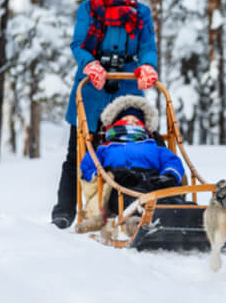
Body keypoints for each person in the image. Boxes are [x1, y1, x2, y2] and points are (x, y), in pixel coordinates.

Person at [51, 0, 159, 229]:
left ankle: (132, 204)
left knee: (132, 146)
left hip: (127, 85)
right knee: (79, 149)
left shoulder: (141, 12)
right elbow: (79, 45)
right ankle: (65, 209)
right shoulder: (89, 9)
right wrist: (91, 65)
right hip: (91, 89)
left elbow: (147, 46)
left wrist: (147, 66)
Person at [76, 95, 185, 234]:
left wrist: (169, 175)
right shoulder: (104, 148)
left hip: (153, 181)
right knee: (133, 200)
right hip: (121, 185)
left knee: (170, 198)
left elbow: (172, 161)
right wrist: (110, 173)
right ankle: (139, 222)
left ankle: (195, 217)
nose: (130, 123)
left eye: (135, 121)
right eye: (125, 120)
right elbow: (87, 168)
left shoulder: (153, 145)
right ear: (115, 124)